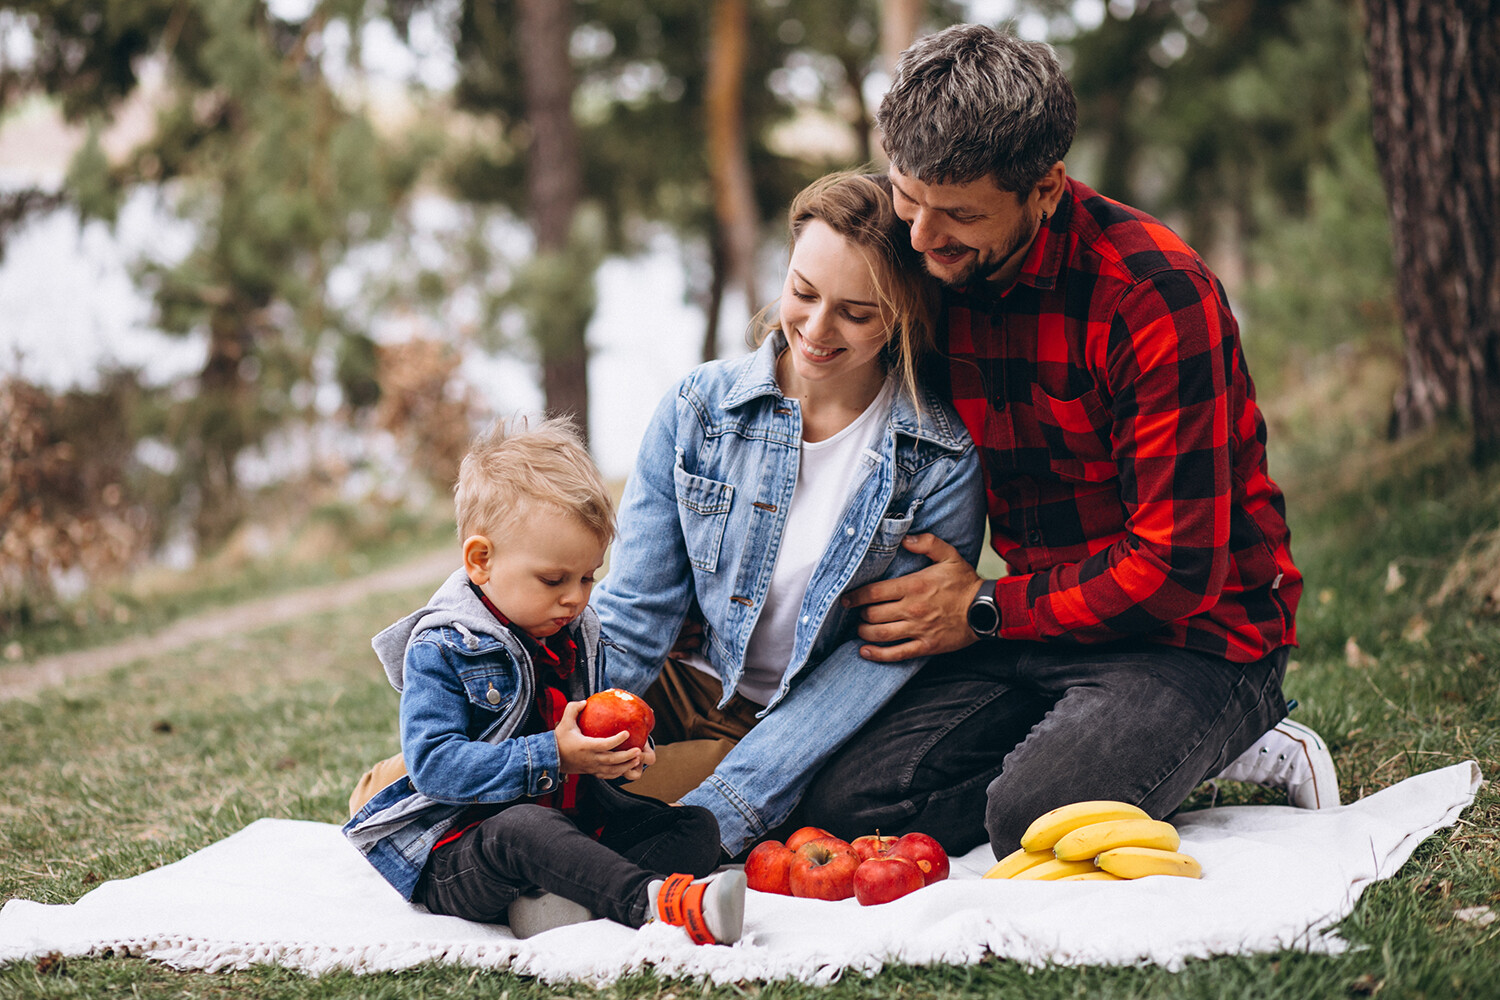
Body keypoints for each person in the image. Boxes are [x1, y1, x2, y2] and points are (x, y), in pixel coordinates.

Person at [797, 25, 1338, 859]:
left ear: (1044, 188)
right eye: (909, 198)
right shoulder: (929, 259)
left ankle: (1239, 730)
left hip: (1194, 636)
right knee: (841, 800)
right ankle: (1096, 742)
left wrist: (978, 607)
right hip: (1033, 627)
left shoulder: (1152, 296)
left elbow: (1174, 568)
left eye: (960, 214)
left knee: (1035, 819)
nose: (920, 238)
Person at [592, 170, 987, 857]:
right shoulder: (698, 410)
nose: (815, 329)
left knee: (612, 818)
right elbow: (631, 619)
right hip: (682, 687)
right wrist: (544, 742)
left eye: (857, 313)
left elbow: (878, 661)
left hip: (790, 730)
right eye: (802, 293)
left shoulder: (940, 460)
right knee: (423, 784)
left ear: (902, 315)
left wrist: (725, 807)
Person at [343, 418, 745, 945]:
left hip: (566, 825)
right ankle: (657, 904)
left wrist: (615, 762)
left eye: (587, 578)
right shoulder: (442, 647)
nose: (575, 597)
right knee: (525, 828)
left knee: (694, 827)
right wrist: (555, 756)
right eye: (554, 580)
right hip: (466, 852)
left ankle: (562, 900)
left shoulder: (575, 635)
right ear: (481, 561)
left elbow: (581, 760)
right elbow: (435, 768)